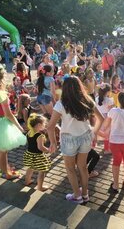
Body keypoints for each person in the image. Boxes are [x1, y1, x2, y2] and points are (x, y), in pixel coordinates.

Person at [47, 75, 104, 204]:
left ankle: (77, 196)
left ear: (65, 89)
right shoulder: (88, 100)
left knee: (70, 168)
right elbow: (101, 119)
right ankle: (85, 194)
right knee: (83, 168)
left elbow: (50, 126)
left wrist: (53, 143)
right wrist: (93, 133)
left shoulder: (61, 104)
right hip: (85, 136)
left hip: (69, 139)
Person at [23, 114, 52, 191]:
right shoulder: (39, 135)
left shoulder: (29, 133)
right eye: (44, 124)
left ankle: (27, 181)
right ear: (39, 125)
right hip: (38, 156)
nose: (45, 125)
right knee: (42, 171)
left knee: (30, 168)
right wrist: (48, 150)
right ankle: (40, 187)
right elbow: (40, 147)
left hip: (29, 154)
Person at [96, 83, 114, 154]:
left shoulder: (96, 98)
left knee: (97, 131)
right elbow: (112, 110)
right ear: (108, 92)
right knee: (107, 134)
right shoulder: (109, 100)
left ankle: (91, 146)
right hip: (107, 118)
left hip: (98, 117)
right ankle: (107, 149)